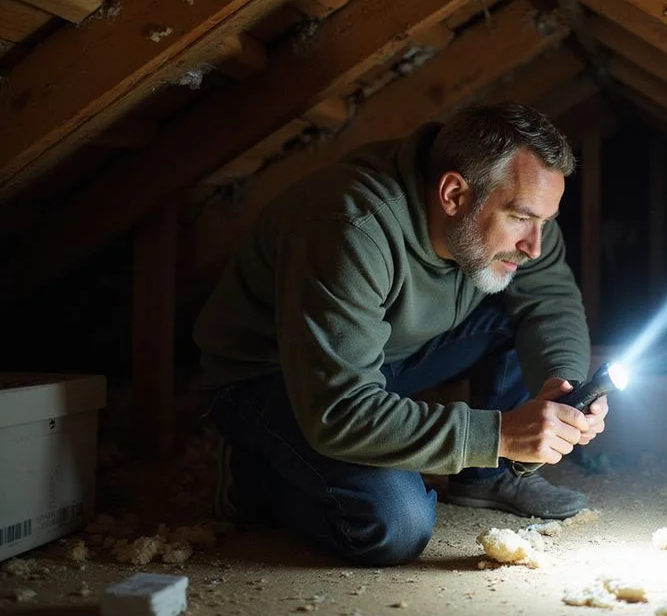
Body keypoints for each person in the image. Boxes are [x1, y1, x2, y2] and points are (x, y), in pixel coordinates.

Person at [192, 101, 608, 566]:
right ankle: (256, 475)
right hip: (276, 380)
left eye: (545, 222)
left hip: (381, 360)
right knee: (394, 524)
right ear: (454, 194)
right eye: (520, 218)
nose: (534, 244)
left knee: (518, 311)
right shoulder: (350, 226)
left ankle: (483, 479)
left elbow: (550, 304)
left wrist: (564, 387)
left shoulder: (516, 222)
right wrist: (498, 434)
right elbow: (342, 410)